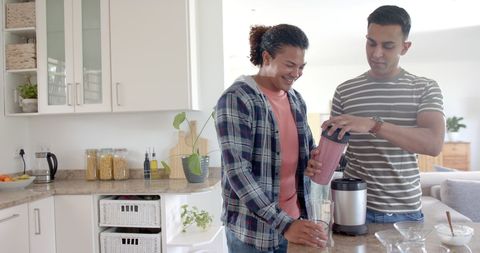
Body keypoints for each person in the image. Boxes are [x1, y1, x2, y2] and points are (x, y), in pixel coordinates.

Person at [317, 5, 445, 223]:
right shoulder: (345, 90)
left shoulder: (424, 87)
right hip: (351, 208)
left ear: (405, 47)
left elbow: (433, 145)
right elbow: (331, 150)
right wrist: (317, 162)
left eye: (387, 46)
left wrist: (373, 125)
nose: (376, 53)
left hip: (405, 211)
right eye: (371, 43)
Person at [215, 24, 327, 252]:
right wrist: (284, 224)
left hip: (295, 222)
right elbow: (238, 172)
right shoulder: (238, 99)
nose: (296, 73)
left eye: (301, 66)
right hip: (254, 233)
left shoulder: (296, 100)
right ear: (266, 57)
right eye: (289, 65)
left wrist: (313, 158)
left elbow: (306, 147)